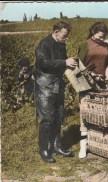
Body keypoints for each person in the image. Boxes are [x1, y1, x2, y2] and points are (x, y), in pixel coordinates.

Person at [35, 21, 76, 163]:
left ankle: (56, 146)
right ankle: (44, 149)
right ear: (56, 32)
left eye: (67, 36)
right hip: (45, 85)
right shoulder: (44, 44)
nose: (66, 39)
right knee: (47, 118)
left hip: (58, 84)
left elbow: (63, 61)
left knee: (58, 115)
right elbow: (44, 64)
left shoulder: (61, 44)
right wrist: (65, 62)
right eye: (64, 36)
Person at [77, 22, 108, 159]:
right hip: (86, 83)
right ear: (93, 32)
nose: (101, 38)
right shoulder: (85, 44)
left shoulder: (106, 45)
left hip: (102, 83)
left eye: (103, 36)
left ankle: (98, 142)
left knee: (100, 112)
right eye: (99, 35)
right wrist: (92, 75)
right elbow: (79, 66)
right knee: (85, 112)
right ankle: (83, 144)